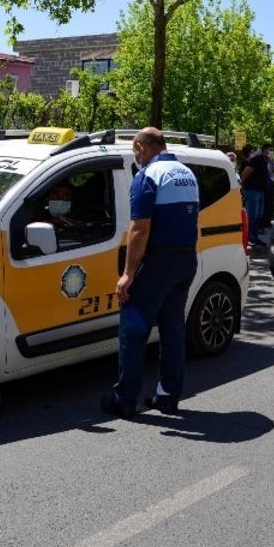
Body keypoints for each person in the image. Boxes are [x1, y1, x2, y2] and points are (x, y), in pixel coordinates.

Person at [101, 128, 200, 419]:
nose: (136, 157)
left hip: (158, 261)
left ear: (141, 147)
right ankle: (168, 396)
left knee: (133, 329)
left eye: (136, 152)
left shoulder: (148, 176)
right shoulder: (187, 173)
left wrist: (128, 273)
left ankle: (124, 398)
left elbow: (139, 229)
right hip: (185, 259)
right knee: (173, 330)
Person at [240, 144, 269, 246]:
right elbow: (245, 174)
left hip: (260, 191)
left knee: (258, 215)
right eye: (268, 150)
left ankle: (254, 237)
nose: (270, 153)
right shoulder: (256, 160)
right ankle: (247, 238)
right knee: (252, 215)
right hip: (252, 191)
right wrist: (243, 186)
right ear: (263, 151)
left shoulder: (264, 161)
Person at [261, 143, 274, 230]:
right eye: (268, 150)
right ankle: (262, 223)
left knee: (271, 203)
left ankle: (267, 222)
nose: (270, 152)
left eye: (272, 150)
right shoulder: (261, 160)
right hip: (263, 184)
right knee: (265, 203)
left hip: (272, 183)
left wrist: (271, 161)